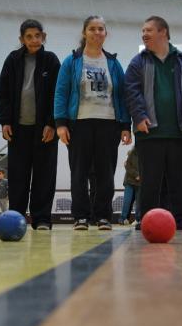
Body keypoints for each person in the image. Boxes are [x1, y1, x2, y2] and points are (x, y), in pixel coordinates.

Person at [54, 15, 131, 230]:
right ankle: (81, 216)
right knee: (79, 172)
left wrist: (126, 125)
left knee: (105, 173)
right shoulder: (72, 61)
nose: (97, 33)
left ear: (106, 34)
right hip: (79, 124)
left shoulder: (114, 63)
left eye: (100, 29)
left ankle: (103, 216)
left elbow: (123, 95)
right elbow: (61, 93)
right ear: (84, 33)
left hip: (108, 124)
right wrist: (60, 123)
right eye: (92, 29)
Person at [124, 16, 182, 231]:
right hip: (149, 133)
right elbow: (131, 91)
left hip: (179, 132)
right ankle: (146, 219)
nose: (144, 34)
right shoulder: (138, 62)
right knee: (149, 180)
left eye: (148, 30)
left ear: (163, 32)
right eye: (143, 31)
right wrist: (138, 117)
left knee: (180, 179)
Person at [0, 19, 60, 231]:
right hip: (18, 129)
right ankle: (16, 218)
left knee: (44, 175)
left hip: (45, 131)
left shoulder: (51, 61)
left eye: (37, 36)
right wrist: (5, 121)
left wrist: (52, 123)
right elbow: (2, 94)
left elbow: (57, 96)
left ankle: (42, 219)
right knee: (18, 176)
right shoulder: (12, 60)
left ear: (44, 37)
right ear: (21, 39)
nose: (34, 40)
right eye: (29, 36)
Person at [120, 147, 141, 224]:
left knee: (139, 202)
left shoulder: (146, 154)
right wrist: (136, 175)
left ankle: (138, 219)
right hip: (129, 181)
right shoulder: (132, 153)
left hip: (140, 183)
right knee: (127, 201)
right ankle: (123, 218)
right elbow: (127, 165)